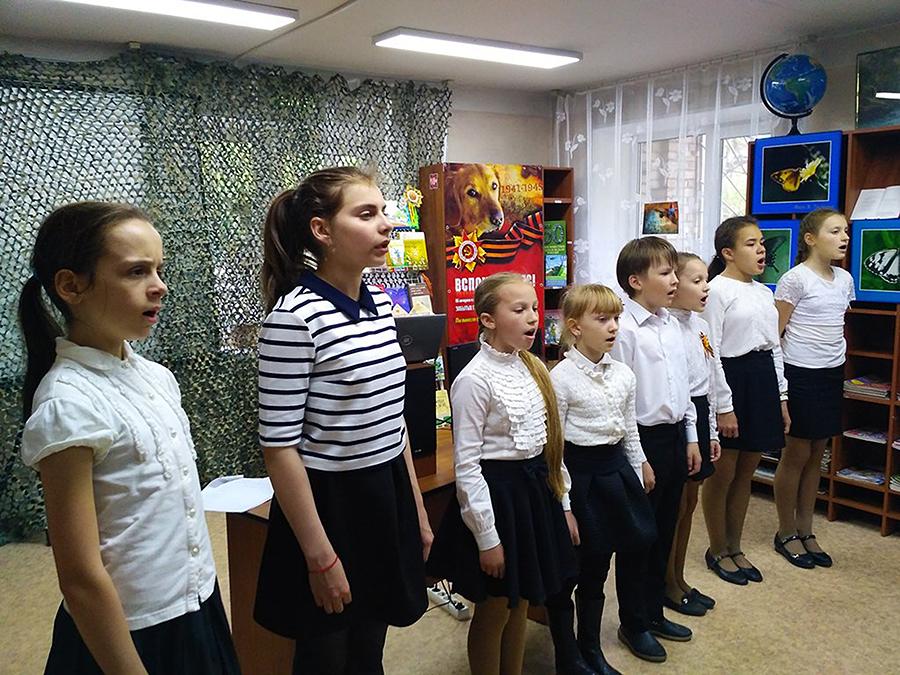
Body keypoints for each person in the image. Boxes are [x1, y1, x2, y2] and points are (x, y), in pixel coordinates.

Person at [18, 202, 240, 674]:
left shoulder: (157, 378)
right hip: (128, 634)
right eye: (136, 271)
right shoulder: (68, 402)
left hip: (195, 604)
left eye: (160, 270)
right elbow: (80, 577)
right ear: (71, 286)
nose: (160, 286)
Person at [254, 167, 431, 675]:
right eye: (366, 214)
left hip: (384, 492)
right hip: (330, 506)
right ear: (322, 230)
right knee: (326, 653)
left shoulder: (378, 305)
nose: (386, 225)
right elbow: (279, 449)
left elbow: (391, 418)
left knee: (369, 648)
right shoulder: (293, 318)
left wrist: (416, 509)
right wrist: (320, 557)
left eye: (384, 212)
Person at [427, 272, 577, 675]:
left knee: (522, 601)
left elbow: (551, 444)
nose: (533, 318)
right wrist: (487, 538)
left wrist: (564, 504)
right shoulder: (473, 380)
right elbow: (467, 467)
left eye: (534, 308)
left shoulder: (534, 367)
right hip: (498, 501)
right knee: (495, 608)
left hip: (534, 495)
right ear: (488, 319)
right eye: (519, 309)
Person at [545, 284, 658, 673]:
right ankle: (567, 655)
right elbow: (555, 448)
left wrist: (640, 464)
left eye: (616, 318)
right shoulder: (560, 378)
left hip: (615, 472)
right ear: (575, 327)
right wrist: (564, 504)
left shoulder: (623, 373)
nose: (613, 327)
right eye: (602, 319)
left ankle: (590, 649)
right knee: (573, 569)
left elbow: (629, 428)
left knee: (600, 565)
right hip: (578, 477)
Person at [611, 236, 702, 658]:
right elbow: (622, 400)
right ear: (635, 281)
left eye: (673, 272)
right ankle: (633, 622)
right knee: (638, 536)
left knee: (665, 528)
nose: (674, 281)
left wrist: (691, 437)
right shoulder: (625, 329)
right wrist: (639, 458)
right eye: (665, 273)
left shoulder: (671, 324)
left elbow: (683, 387)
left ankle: (653, 610)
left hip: (674, 436)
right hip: (642, 441)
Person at [701, 216, 791, 586]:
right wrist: (724, 406)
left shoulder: (764, 292)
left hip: (762, 379)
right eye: (751, 244)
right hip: (731, 379)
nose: (761, 250)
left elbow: (774, 347)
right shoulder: (716, 290)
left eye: (762, 243)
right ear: (728, 252)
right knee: (724, 472)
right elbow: (711, 352)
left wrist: (781, 396)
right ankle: (717, 549)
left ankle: (735, 546)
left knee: (746, 471)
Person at [773, 208, 853, 569]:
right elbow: (775, 334)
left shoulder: (845, 279)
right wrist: (781, 388)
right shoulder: (795, 279)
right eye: (834, 231)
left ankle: (806, 528)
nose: (844, 237)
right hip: (799, 373)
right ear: (810, 239)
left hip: (831, 374)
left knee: (818, 452)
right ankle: (786, 531)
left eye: (845, 231)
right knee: (796, 453)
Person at [665, 252, 721, 617]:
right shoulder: (666, 327)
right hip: (679, 417)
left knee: (690, 503)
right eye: (696, 280)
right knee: (675, 505)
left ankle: (679, 576)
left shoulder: (700, 326)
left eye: (706, 280)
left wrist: (711, 430)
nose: (706, 288)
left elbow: (711, 379)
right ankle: (666, 581)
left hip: (699, 413)